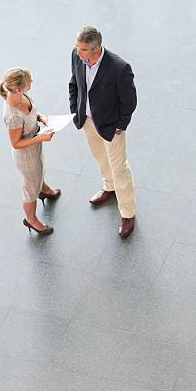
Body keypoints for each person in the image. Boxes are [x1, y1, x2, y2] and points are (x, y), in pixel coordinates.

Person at [69, 26, 137, 238]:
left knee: (120, 169)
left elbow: (130, 101)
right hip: (87, 120)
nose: (78, 52)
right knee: (100, 157)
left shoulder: (119, 68)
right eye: (78, 48)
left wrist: (120, 125)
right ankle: (109, 187)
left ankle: (128, 212)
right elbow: (74, 83)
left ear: (96, 49)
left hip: (111, 126)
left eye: (82, 49)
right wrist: (75, 110)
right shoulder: (76, 56)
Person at [0, 68, 59, 235]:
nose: (32, 82)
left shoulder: (20, 96)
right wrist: (42, 138)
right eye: (29, 81)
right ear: (18, 89)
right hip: (26, 153)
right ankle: (31, 220)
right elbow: (16, 143)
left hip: (34, 143)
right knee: (30, 186)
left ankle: (44, 189)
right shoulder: (13, 115)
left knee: (38, 171)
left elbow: (32, 113)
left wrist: (43, 118)